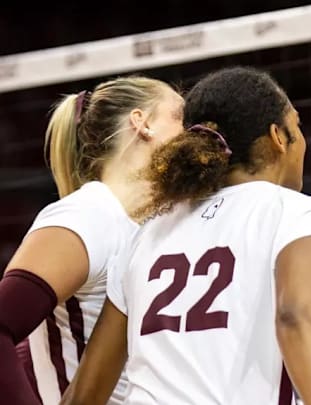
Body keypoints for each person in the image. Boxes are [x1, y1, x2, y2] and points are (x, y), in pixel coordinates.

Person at [61, 66, 311, 405]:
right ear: (278, 137)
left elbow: (83, 395)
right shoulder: (295, 210)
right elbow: (294, 316)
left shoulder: (147, 233)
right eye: (297, 127)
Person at [0, 76, 184, 405]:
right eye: (179, 115)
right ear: (142, 122)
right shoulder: (87, 216)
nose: (193, 130)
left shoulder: (159, 223)